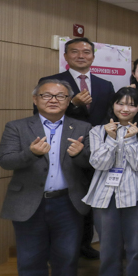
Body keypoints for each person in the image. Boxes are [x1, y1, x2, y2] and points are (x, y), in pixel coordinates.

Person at [0, 79, 92, 276]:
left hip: (67, 202)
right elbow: (5, 160)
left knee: (67, 257)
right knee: (30, 259)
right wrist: (30, 153)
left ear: (68, 101)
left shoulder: (82, 127)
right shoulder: (17, 127)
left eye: (60, 96)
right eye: (46, 95)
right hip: (29, 202)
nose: (53, 100)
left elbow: (91, 163)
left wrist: (80, 154)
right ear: (35, 99)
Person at [83, 87, 138, 276]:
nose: (125, 108)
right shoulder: (98, 131)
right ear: (113, 105)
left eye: (131, 104)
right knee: (108, 252)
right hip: (105, 195)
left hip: (137, 195)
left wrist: (131, 139)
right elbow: (99, 163)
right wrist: (112, 139)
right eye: (120, 103)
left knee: (135, 250)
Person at [41, 38, 115, 260]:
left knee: (90, 196)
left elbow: (108, 116)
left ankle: (84, 244)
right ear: (65, 56)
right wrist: (73, 104)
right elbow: (42, 114)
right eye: (74, 52)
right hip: (64, 149)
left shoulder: (105, 85)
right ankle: (62, 248)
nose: (81, 56)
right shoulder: (51, 82)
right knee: (69, 198)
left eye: (86, 52)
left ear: (93, 56)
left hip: (95, 150)